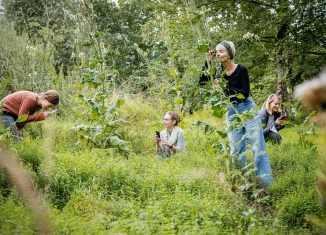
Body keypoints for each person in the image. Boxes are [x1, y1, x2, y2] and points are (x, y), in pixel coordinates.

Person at [199, 41, 273, 186]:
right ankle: (242, 183)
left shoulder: (241, 70)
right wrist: (207, 61)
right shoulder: (218, 72)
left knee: (257, 146)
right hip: (231, 110)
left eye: (221, 51)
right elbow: (201, 82)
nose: (218, 54)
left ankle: (267, 183)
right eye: (216, 52)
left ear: (230, 53)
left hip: (246, 108)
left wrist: (223, 87)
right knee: (236, 149)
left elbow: (244, 93)